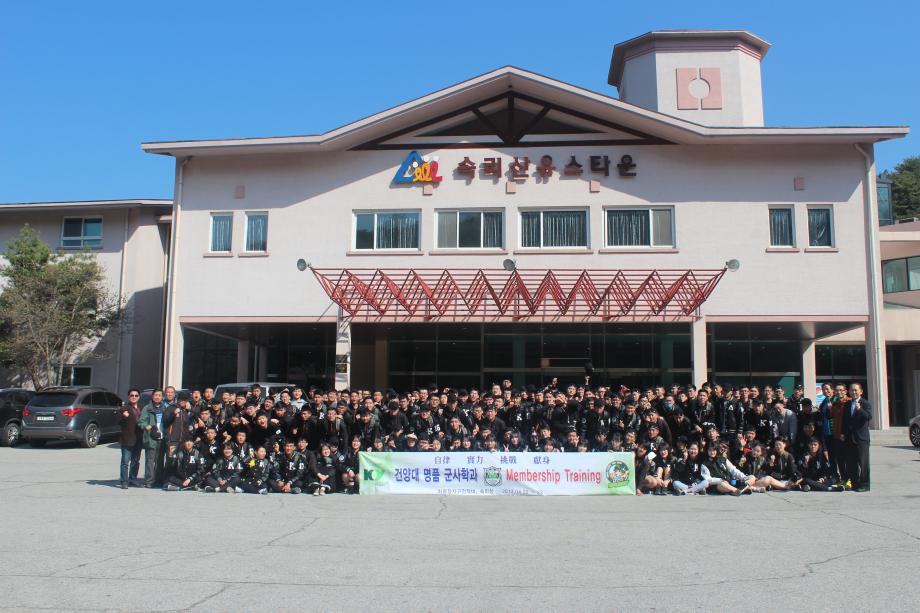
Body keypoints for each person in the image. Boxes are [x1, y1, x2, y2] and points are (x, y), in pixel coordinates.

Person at [841, 383, 871, 492]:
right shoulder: (847, 404)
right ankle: (855, 483)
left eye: (855, 390)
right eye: (851, 390)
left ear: (861, 391)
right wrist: (842, 433)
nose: (853, 392)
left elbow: (868, 417)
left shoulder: (865, 403)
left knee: (863, 463)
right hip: (849, 438)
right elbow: (844, 420)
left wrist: (860, 409)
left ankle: (865, 485)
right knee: (851, 462)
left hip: (861, 438)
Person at [139, 389, 167, 488]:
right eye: (156, 395)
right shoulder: (147, 408)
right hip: (151, 437)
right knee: (150, 461)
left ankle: (158, 480)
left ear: (162, 397)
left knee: (160, 461)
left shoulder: (165, 408)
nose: (157, 397)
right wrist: (146, 426)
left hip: (162, 438)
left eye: (159, 395)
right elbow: (141, 421)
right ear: (152, 396)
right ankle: (149, 481)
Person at [117, 388, 143, 489]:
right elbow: (118, 422)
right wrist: (124, 416)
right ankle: (124, 481)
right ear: (128, 397)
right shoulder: (124, 409)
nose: (134, 397)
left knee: (135, 461)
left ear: (139, 397)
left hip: (138, 438)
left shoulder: (141, 408)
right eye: (132, 395)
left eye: (136, 395)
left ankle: (133, 479)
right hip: (127, 439)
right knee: (125, 462)